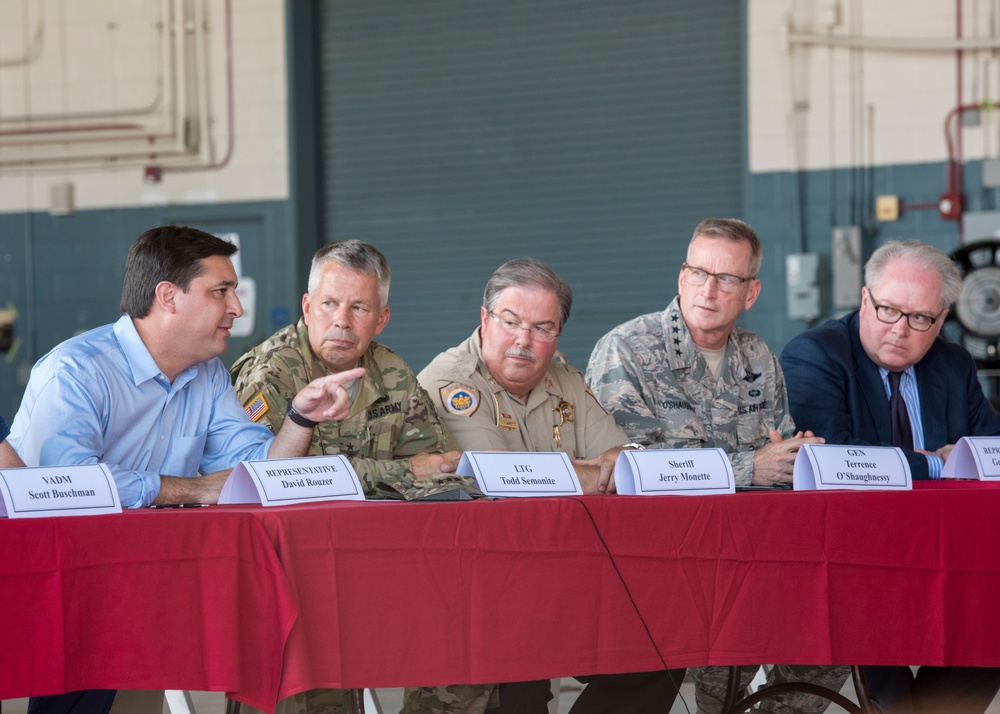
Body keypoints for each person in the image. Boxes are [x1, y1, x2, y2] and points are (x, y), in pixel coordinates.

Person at [7, 225, 362, 714]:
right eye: (222, 291)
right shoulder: (76, 371)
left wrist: (300, 418)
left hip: (147, 584)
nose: (236, 307)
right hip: (65, 589)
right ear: (168, 297)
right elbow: (70, 489)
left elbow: (257, 474)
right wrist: (189, 489)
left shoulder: (207, 373)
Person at [585, 218, 848, 714]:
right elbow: (631, 471)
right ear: (681, 277)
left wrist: (796, 455)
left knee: (829, 644)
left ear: (751, 293)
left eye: (728, 278)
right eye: (699, 272)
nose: (710, 289)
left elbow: (776, 449)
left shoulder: (758, 358)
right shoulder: (627, 350)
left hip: (754, 558)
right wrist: (753, 467)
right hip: (663, 565)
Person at [415, 257, 684, 713]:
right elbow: (499, 483)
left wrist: (602, 467)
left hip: (569, 580)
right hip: (482, 597)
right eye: (511, 321)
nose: (524, 341)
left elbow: (625, 471)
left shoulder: (565, 380)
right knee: (522, 694)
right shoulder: (448, 382)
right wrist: (584, 471)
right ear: (484, 319)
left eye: (542, 328)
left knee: (661, 653)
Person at [231, 239, 465, 714]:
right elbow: (279, 482)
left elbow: (441, 470)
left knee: (467, 652)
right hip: (291, 578)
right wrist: (400, 473)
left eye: (359, 307)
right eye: (330, 303)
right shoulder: (271, 375)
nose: (342, 320)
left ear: (380, 319)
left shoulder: (392, 371)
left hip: (379, 562)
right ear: (307, 306)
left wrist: (375, 476)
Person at [780, 239, 1000, 713]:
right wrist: (937, 462)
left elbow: (989, 452)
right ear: (864, 300)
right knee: (887, 670)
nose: (900, 330)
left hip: (945, 556)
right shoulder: (815, 355)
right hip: (857, 563)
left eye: (920, 318)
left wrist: (962, 458)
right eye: (887, 310)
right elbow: (837, 461)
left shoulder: (953, 363)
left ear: (941, 321)